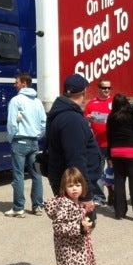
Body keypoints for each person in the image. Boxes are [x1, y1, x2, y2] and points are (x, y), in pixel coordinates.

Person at [45, 74, 103, 203]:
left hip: (68, 186)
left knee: (70, 223)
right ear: (84, 92)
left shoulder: (63, 113)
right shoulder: (72, 119)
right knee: (82, 223)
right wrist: (85, 197)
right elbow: (76, 158)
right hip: (75, 191)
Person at [5, 73, 46, 218]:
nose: (14, 84)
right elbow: (43, 124)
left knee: (18, 175)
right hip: (34, 142)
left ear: (24, 84)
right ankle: (38, 206)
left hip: (19, 141)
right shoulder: (38, 101)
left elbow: (12, 123)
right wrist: (37, 136)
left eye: (16, 82)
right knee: (36, 175)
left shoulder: (16, 101)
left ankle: (18, 208)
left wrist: (11, 138)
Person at [106, 94, 133, 220]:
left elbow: (109, 137)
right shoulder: (131, 115)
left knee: (119, 182)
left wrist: (109, 155)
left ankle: (119, 212)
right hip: (132, 152)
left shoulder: (111, 117)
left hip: (116, 152)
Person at [84, 78, 113, 204]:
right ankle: (99, 197)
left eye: (108, 88)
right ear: (99, 88)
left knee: (112, 173)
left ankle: (113, 198)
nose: (106, 90)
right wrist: (88, 119)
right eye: (104, 88)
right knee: (97, 173)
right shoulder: (91, 104)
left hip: (112, 143)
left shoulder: (114, 102)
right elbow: (85, 122)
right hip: (97, 144)